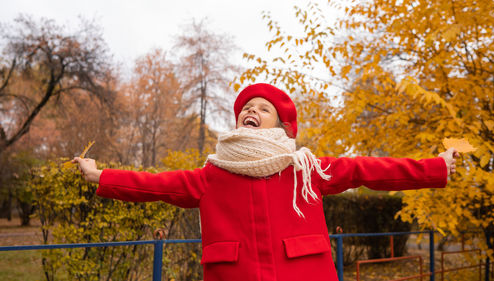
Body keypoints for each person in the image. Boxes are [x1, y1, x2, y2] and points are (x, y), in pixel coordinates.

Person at [74, 83, 458, 281]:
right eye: (247, 108)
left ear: (283, 125)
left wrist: (435, 168)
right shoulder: (211, 176)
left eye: (263, 109)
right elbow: (154, 184)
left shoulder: (305, 168)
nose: (252, 111)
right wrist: (99, 175)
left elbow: (368, 171)